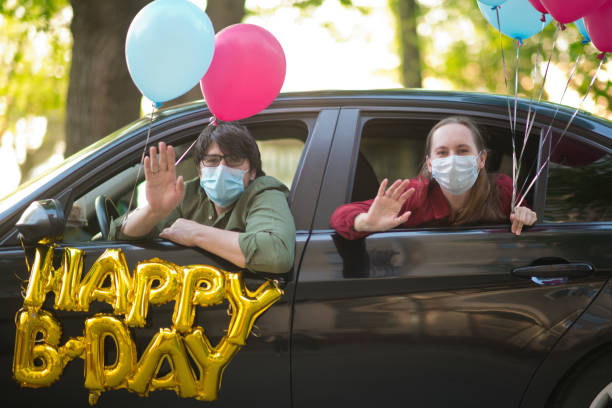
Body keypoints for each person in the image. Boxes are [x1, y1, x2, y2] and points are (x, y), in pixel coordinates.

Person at [109, 122, 295, 274]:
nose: (222, 168)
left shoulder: (264, 191)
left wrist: (196, 234)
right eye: (212, 160)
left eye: (234, 159)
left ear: (253, 171)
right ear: (200, 170)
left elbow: (276, 254)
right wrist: (153, 211)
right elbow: (117, 236)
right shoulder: (184, 193)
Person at [330, 116, 537, 239]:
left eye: (463, 150)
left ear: (481, 158)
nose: (453, 159)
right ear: (430, 163)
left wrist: (526, 217)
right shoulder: (411, 194)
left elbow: (526, 216)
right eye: (442, 152)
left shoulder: (502, 189)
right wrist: (365, 222)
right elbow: (340, 215)